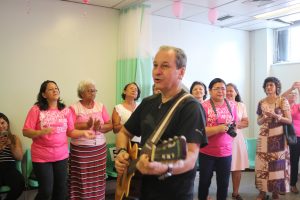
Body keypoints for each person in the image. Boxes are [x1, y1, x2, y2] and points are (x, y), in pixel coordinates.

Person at [115, 45, 206, 200]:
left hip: (175, 193)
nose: (157, 71)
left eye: (165, 66)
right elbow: (124, 132)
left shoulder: (191, 107)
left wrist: (165, 167)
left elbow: (191, 157)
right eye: (155, 65)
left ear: (181, 72)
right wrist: (122, 152)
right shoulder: (147, 102)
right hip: (142, 190)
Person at [23, 80, 94, 200]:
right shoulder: (36, 110)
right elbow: (25, 131)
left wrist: (83, 132)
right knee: (46, 191)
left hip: (61, 156)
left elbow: (70, 131)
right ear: (44, 94)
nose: (55, 90)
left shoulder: (65, 110)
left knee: (61, 190)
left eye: (56, 88)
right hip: (42, 157)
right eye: (50, 89)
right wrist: (40, 132)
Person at [68, 80, 113, 200]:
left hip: (99, 149)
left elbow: (110, 124)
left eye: (94, 90)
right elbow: (69, 127)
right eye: (90, 90)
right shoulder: (74, 108)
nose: (93, 93)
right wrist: (85, 126)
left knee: (97, 177)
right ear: (82, 93)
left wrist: (100, 127)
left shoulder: (101, 106)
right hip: (81, 150)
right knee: (81, 178)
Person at [198, 78, 238, 200]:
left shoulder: (232, 105)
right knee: (204, 182)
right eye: (217, 89)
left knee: (224, 184)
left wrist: (232, 131)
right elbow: (199, 131)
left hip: (226, 152)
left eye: (223, 88)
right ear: (209, 91)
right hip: (207, 151)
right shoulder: (203, 106)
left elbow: (234, 124)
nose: (221, 91)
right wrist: (218, 129)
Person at [255, 77, 292, 200]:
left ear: (277, 87)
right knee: (262, 165)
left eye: (271, 85)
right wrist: (264, 118)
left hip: (278, 138)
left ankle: (275, 192)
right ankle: (262, 191)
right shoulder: (261, 102)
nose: (268, 87)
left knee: (277, 166)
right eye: (266, 85)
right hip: (264, 137)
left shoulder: (283, 101)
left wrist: (277, 116)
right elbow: (258, 122)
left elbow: (289, 120)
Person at [226, 83, 249, 200]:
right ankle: (222, 190)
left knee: (237, 167)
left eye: (231, 90)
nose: (229, 93)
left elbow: (246, 122)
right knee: (224, 167)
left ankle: (235, 192)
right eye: (227, 90)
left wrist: (236, 124)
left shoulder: (241, 105)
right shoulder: (220, 105)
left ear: (236, 92)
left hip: (237, 138)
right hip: (223, 138)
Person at [0, 113, 24, 200]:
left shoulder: (14, 138)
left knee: (20, 183)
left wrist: (10, 145)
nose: (1, 126)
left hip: (9, 167)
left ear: (7, 124)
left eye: (3, 123)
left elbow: (19, 157)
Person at [281, 81, 300, 194]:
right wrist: (291, 87)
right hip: (293, 138)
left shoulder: (298, 106)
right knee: (294, 161)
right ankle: (293, 184)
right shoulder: (285, 107)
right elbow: (281, 97)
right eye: (291, 94)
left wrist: (298, 89)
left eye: (295, 94)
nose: (293, 95)